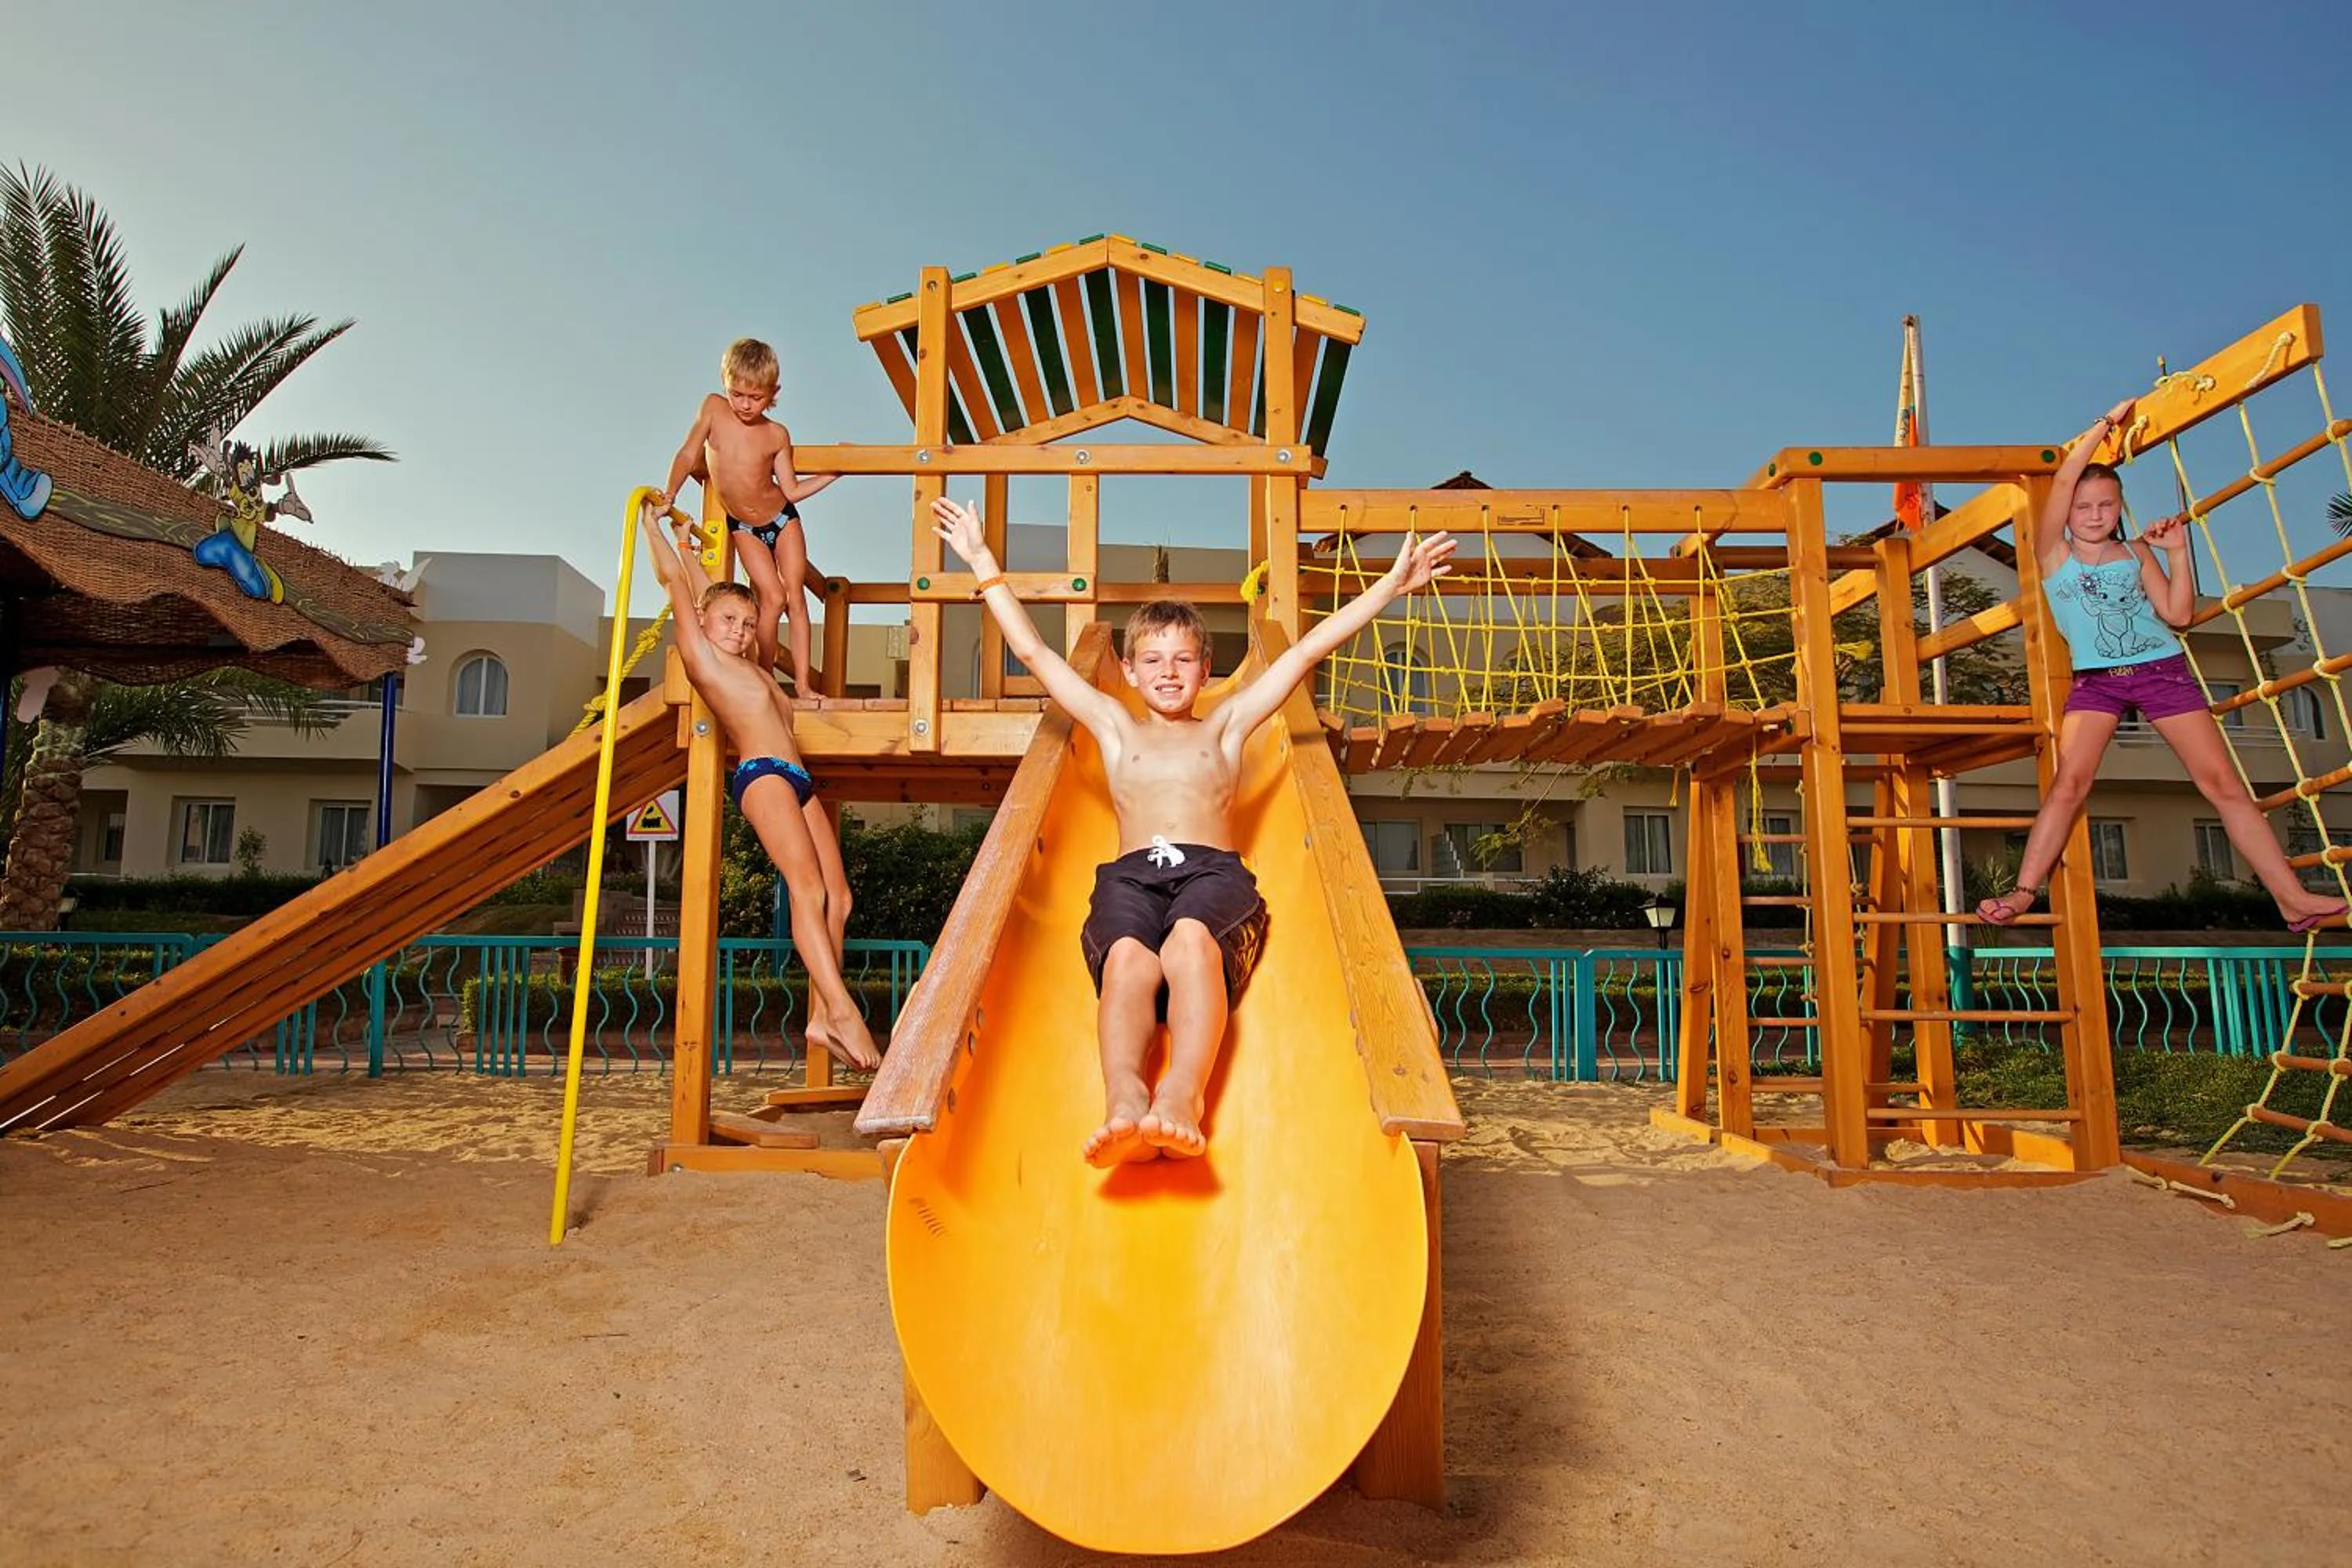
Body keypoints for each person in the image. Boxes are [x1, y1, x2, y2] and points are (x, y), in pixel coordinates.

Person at [931, 494, 1457, 1165]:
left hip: (1212, 874)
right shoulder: (1114, 727)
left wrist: (1390, 586)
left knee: (1186, 945)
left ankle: (1181, 1094)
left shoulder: (1226, 726)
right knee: (1127, 959)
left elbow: (1304, 654)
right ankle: (1124, 1096)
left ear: (1206, 671)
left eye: (1183, 660)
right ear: (1127, 672)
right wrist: (982, 561)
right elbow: (1034, 652)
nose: (1169, 672)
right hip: (1129, 876)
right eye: (1152, 660)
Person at [1980, 398, 2346, 933]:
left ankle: (2291, 898)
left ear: (2120, 507)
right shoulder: (2053, 554)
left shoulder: (2136, 554)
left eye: (2107, 505)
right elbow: (2060, 483)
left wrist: (2176, 551)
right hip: (2097, 684)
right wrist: (2103, 426)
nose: (2095, 515)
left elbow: (2178, 614)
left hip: (2163, 672)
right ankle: (2022, 894)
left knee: (2222, 783)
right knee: (2070, 784)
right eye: (2084, 507)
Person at [640, 503, 879, 1069]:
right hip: (762, 776)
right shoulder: (705, 660)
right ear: (703, 625)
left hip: (797, 778)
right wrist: (653, 528)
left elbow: (710, 593)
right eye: (730, 623)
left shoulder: (752, 667)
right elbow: (682, 586)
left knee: (839, 898)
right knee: (809, 891)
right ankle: (841, 1011)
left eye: (748, 625)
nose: (742, 632)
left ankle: (821, 1016)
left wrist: (695, 549)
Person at [655, 338, 836, 692]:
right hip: (744, 526)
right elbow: (688, 452)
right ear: (726, 384)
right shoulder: (713, 409)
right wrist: (670, 494)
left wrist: (833, 473)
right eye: (737, 394)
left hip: (783, 520)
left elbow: (792, 490)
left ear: (773, 393)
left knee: (794, 596)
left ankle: (801, 684)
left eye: (756, 398)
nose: (745, 405)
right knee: (772, 598)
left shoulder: (776, 435)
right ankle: (764, 679)